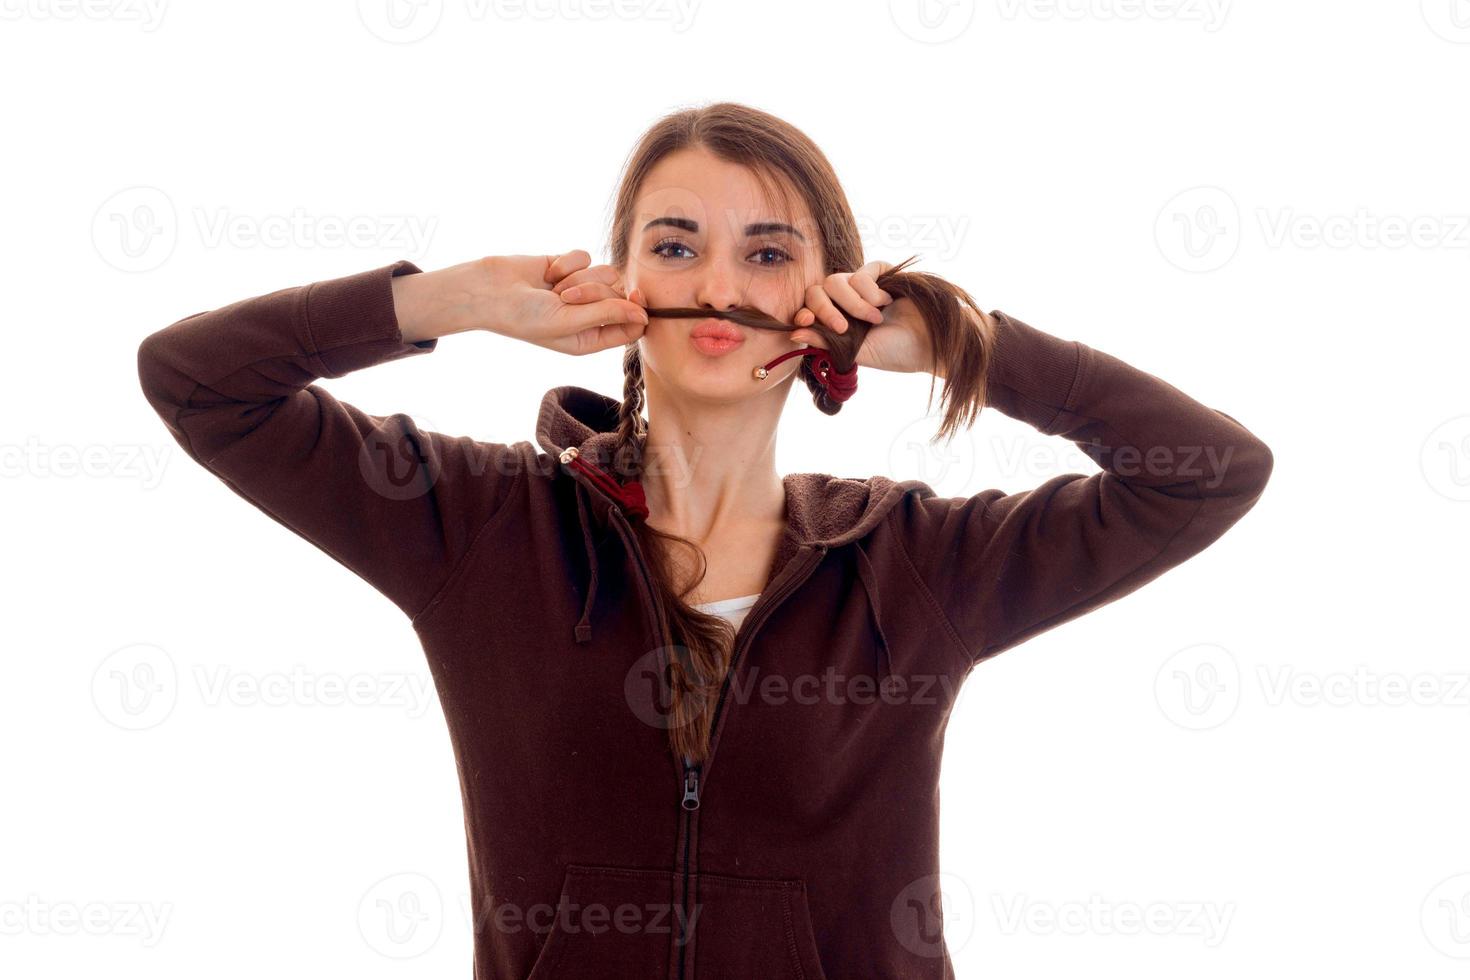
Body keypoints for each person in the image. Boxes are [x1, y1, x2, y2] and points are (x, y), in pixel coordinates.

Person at [136, 102, 1273, 979]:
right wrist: (456, 299)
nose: (719, 284)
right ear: (623, 280)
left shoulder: (918, 564)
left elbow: (1211, 472)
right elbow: (195, 382)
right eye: (676, 247)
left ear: (832, 298)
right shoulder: (480, 528)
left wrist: (962, 344)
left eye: (769, 254)